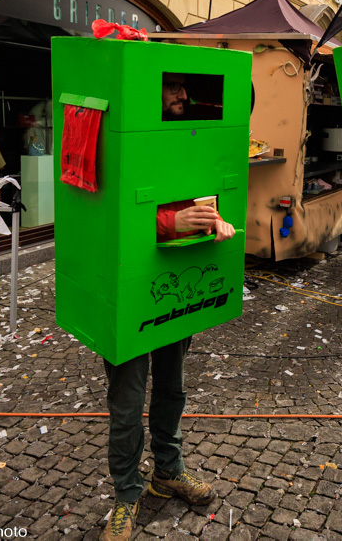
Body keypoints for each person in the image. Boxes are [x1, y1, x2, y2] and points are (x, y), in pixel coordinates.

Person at [100, 75, 237, 541]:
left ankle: (168, 471)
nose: (182, 96)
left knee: (172, 391)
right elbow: (113, 207)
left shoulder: (185, 138)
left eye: (183, 88)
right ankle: (125, 496)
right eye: (172, 87)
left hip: (174, 292)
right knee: (127, 402)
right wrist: (167, 222)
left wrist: (212, 220)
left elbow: (197, 193)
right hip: (134, 293)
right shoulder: (124, 136)